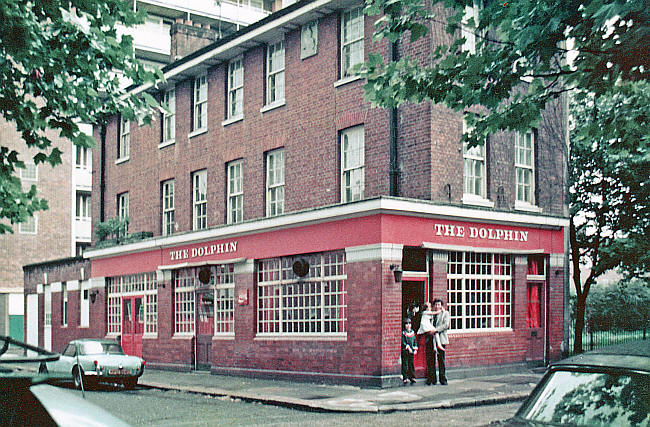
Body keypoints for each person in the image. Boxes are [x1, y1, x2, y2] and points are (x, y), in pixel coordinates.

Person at [428, 298, 450, 385]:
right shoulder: (432, 314)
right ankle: (432, 379)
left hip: (441, 339)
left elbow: (446, 325)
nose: (437, 306)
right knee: (431, 360)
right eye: (436, 305)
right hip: (432, 339)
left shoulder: (445, 313)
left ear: (441, 305)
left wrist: (436, 330)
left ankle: (443, 379)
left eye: (439, 305)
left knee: (441, 360)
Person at [401, 318, 417, 384]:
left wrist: (415, 349)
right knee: (405, 364)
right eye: (406, 324)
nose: (408, 325)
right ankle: (405, 377)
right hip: (406, 351)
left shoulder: (412, 333)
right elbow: (403, 342)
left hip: (411, 351)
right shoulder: (404, 333)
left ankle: (412, 377)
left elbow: (415, 341)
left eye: (409, 324)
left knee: (411, 364)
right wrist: (408, 348)